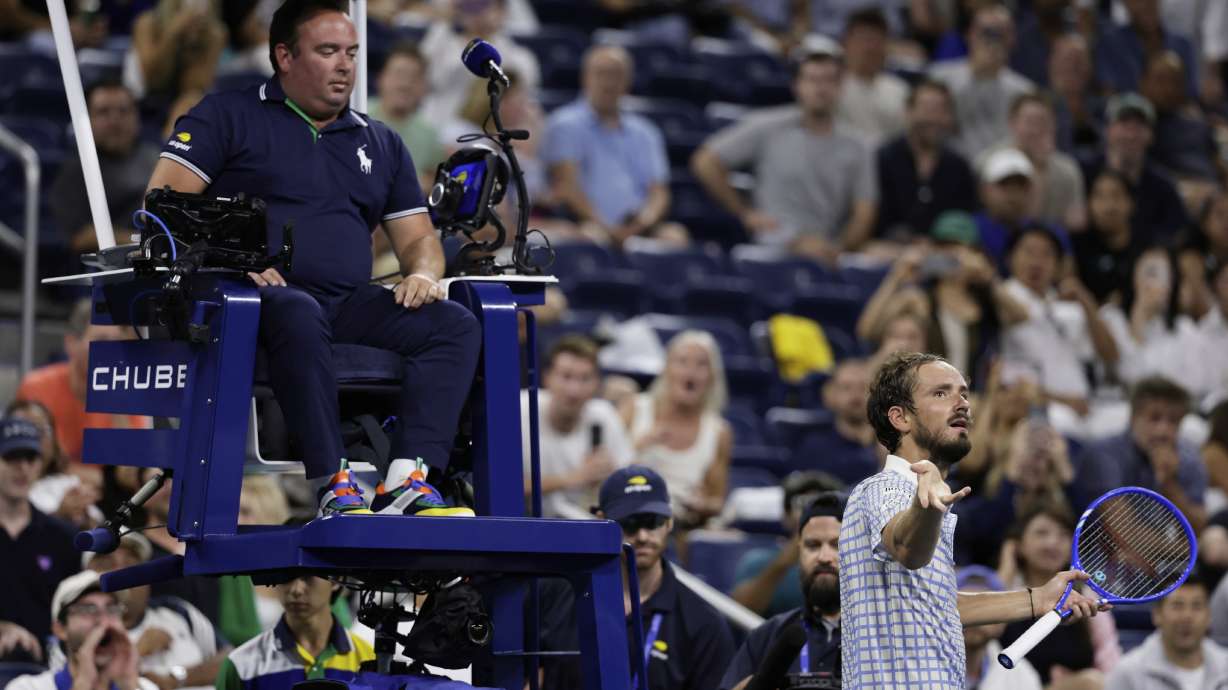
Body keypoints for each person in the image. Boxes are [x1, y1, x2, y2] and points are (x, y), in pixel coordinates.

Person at [144, 0, 481, 518]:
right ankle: (333, 483)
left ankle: (407, 481)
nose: (345, 64)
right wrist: (231, 261)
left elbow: (420, 240)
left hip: (345, 303)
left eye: (351, 52)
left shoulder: (381, 141)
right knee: (296, 307)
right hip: (251, 302)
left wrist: (422, 273)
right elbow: (162, 208)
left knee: (453, 324)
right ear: (285, 56)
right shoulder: (227, 115)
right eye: (328, 51)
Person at [838, 351, 1107, 689]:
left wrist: (1039, 599)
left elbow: (941, 609)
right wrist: (928, 506)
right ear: (900, 418)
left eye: (963, 392)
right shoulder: (884, 488)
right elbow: (908, 547)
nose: (962, 403)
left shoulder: (930, 500)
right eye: (941, 393)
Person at [535, 466, 735, 690]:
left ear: (669, 522)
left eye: (653, 521)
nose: (642, 536)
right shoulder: (554, 594)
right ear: (602, 521)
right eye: (629, 522)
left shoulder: (702, 622)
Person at [691, 48, 877, 261]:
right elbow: (705, 162)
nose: (821, 88)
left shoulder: (859, 146)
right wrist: (745, 213)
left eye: (829, 80)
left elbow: (865, 212)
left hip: (828, 250)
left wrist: (838, 248)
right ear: (797, 86)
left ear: (840, 87)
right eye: (812, 80)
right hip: (771, 250)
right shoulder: (767, 126)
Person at [857, 212, 1027, 382]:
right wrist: (896, 276)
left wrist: (989, 277)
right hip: (930, 392)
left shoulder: (983, 301)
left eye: (956, 246)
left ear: (974, 251)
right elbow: (867, 329)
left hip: (972, 397)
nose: (948, 253)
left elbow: (1021, 315)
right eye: (941, 246)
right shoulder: (919, 298)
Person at [540, 45, 682, 247]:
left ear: (628, 81)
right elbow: (567, 185)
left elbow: (659, 192)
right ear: (585, 78)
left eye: (616, 74)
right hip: (587, 224)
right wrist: (605, 227)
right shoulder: (564, 124)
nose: (608, 83)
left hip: (638, 227)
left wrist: (642, 222)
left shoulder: (646, 132)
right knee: (590, 237)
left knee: (674, 236)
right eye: (601, 74)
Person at [999, 224, 1120, 437]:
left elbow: (1110, 355)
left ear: (1059, 265)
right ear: (1010, 258)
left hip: (1085, 407)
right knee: (1060, 422)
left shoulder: (1065, 308)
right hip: (1040, 407)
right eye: (1028, 252)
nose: (1036, 262)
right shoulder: (1005, 297)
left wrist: (1086, 301)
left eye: (1046, 254)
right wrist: (1065, 401)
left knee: (1128, 421)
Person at [720, 492, 846, 690]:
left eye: (837, 545)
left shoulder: (884, 633)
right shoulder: (769, 635)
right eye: (812, 546)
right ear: (798, 550)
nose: (824, 557)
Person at [996, 502, 1120, 685]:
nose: (1052, 543)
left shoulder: (1087, 597)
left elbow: (1110, 665)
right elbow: (982, 635)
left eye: (1063, 535)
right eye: (1041, 533)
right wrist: (1006, 568)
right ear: (1019, 545)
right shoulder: (1004, 591)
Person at [84, 533, 227, 690]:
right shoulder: (76, 629)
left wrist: (175, 679)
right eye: (107, 564)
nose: (121, 572)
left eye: (131, 564)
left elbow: (231, 660)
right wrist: (136, 652)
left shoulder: (176, 611)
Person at [619, 330, 732, 527]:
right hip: (627, 515)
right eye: (682, 362)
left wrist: (703, 505)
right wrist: (639, 444)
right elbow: (602, 472)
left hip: (682, 525)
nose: (691, 372)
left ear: (712, 376)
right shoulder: (634, 408)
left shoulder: (718, 432)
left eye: (701, 364)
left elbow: (717, 501)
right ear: (667, 369)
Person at [16, 299, 146, 469]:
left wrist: (117, 408)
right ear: (71, 344)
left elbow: (132, 471)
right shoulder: (36, 388)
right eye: (102, 340)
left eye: (118, 342)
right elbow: (30, 464)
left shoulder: (129, 397)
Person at [520, 335, 633, 518]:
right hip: (524, 526)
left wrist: (612, 477)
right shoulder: (519, 409)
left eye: (585, 378)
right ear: (547, 377)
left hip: (588, 529)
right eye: (566, 376)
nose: (574, 390)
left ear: (597, 384)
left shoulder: (604, 415)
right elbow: (500, 487)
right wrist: (571, 478)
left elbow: (627, 485)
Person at [1074, 376, 1208, 529]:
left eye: (1173, 421)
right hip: (1102, 551)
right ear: (1133, 418)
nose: (1163, 431)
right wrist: (1183, 551)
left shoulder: (1189, 458)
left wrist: (1170, 484)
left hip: (1170, 548)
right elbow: (1124, 531)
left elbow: (1199, 526)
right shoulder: (1102, 454)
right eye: (1154, 418)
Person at [0, 417, 82, 665]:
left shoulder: (64, 537)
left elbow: (75, 609)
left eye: (30, 458)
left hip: (49, 668)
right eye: (12, 458)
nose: (22, 468)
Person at [50, 80, 162, 254]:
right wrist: (141, 241)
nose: (115, 120)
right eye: (103, 112)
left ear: (137, 117)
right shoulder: (76, 171)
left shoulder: (157, 159)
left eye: (123, 111)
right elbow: (79, 237)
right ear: (88, 120)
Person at [215, 574, 374, 690]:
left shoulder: (369, 660)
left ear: (335, 579)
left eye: (308, 575)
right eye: (286, 575)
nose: (296, 589)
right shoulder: (241, 665)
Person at [4, 570, 157, 690]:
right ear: (60, 629)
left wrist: (128, 686)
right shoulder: (27, 687)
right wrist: (83, 685)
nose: (102, 622)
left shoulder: (144, 687)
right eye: (87, 609)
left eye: (112, 609)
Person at [875, 79, 978, 242]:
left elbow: (964, 222)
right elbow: (876, 220)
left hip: (945, 254)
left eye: (941, 110)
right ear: (908, 112)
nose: (933, 119)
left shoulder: (959, 167)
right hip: (889, 252)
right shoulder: (883, 159)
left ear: (950, 117)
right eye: (927, 109)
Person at [1080, 92, 1189, 245]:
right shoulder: (1082, 172)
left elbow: (1175, 234)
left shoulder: (1163, 187)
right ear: (1108, 130)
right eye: (1124, 125)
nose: (1131, 135)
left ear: (1151, 135)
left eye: (1139, 127)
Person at [1100, 248, 1209, 400]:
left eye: (1166, 274)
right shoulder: (1112, 318)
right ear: (1134, 276)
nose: (1158, 283)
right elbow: (1128, 377)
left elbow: (1197, 385)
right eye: (1151, 273)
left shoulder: (1185, 328)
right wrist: (1139, 319)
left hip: (1176, 410)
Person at [928, 3, 1034, 158]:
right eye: (986, 33)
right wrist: (975, 74)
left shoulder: (1024, 91)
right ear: (969, 34)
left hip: (1003, 171)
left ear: (1012, 38)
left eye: (1000, 34)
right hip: (953, 168)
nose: (992, 41)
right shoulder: (939, 76)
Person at [730, 472, 842, 617]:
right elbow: (738, 613)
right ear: (786, 516)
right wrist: (781, 564)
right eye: (804, 505)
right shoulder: (758, 562)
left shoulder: (854, 560)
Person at [417, 0, 539, 124]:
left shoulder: (520, 57)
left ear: (501, 12)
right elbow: (422, 74)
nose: (476, 10)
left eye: (483, 4)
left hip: (492, 133)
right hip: (440, 127)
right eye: (470, 4)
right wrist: (446, 21)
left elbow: (520, 92)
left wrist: (490, 33)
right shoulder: (442, 44)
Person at [981, 92, 1087, 231]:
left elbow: (1077, 223)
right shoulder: (988, 161)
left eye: (1043, 122)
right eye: (1030, 122)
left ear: (1054, 126)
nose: (1037, 130)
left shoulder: (1068, 169)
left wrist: (1041, 166)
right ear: (1012, 123)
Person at [1104, 571, 1228, 689]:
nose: (1187, 616)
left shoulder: (1225, 665)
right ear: (1157, 614)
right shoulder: (1128, 673)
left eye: (1197, 606)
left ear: (1209, 616)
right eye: (1177, 605)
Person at [792, 360, 879, 485]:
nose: (856, 395)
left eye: (863, 388)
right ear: (829, 395)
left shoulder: (891, 445)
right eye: (846, 388)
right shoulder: (815, 448)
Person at [367, 42, 444, 185]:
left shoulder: (429, 135)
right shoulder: (355, 116)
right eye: (399, 74)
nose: (405, 84)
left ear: (424, 87)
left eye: (414, 78)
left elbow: (434, 180)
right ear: (380, 79)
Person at [958, 566, 1042, 690]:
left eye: (985, 609)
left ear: (1002, 622)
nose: (975, 620)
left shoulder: (1021, 674)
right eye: (965, 610)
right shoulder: (921, 662)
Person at [1073, 170, 1149, 307]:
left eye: (1116, 195)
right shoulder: (1077, 247)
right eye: (1099, 197)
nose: (1108, 206)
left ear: (1131, 203)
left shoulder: (1148, 251)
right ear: (1089, 203)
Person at [834, 9, 908, 148]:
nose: (870, 48)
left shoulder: (900, 90)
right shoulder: (831, 87)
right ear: (845, 43)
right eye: (864, 40)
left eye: (877, 41)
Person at [1095, 0, 1199, 97]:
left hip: (1176, 114)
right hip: (1130, 114)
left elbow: (1191, 95)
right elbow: (1109, 96)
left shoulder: (1182, 44)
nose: (1146, 4)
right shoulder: (1109, 44)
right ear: (1125, 3)